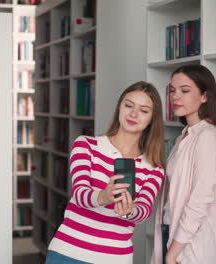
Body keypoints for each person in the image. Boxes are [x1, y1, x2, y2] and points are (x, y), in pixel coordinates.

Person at [45, 81, 166, 264]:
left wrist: (129, 211)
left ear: (152, 119)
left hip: (115, 258)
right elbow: (79, 193)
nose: (133, 114)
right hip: (68, 252)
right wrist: (103, 196)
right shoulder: (86, 145)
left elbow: (144, 209)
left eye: (144, 110)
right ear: (119, 107)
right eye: (128, 105)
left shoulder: (154, 167)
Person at [151, 65, 216, 264]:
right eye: (172, 90)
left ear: (204, 96)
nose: (176, 97)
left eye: (185, 91)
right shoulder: (186, 134)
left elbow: (200, 199)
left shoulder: (208, 136)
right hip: (170, 232)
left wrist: (173, 252)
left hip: (188, 246)